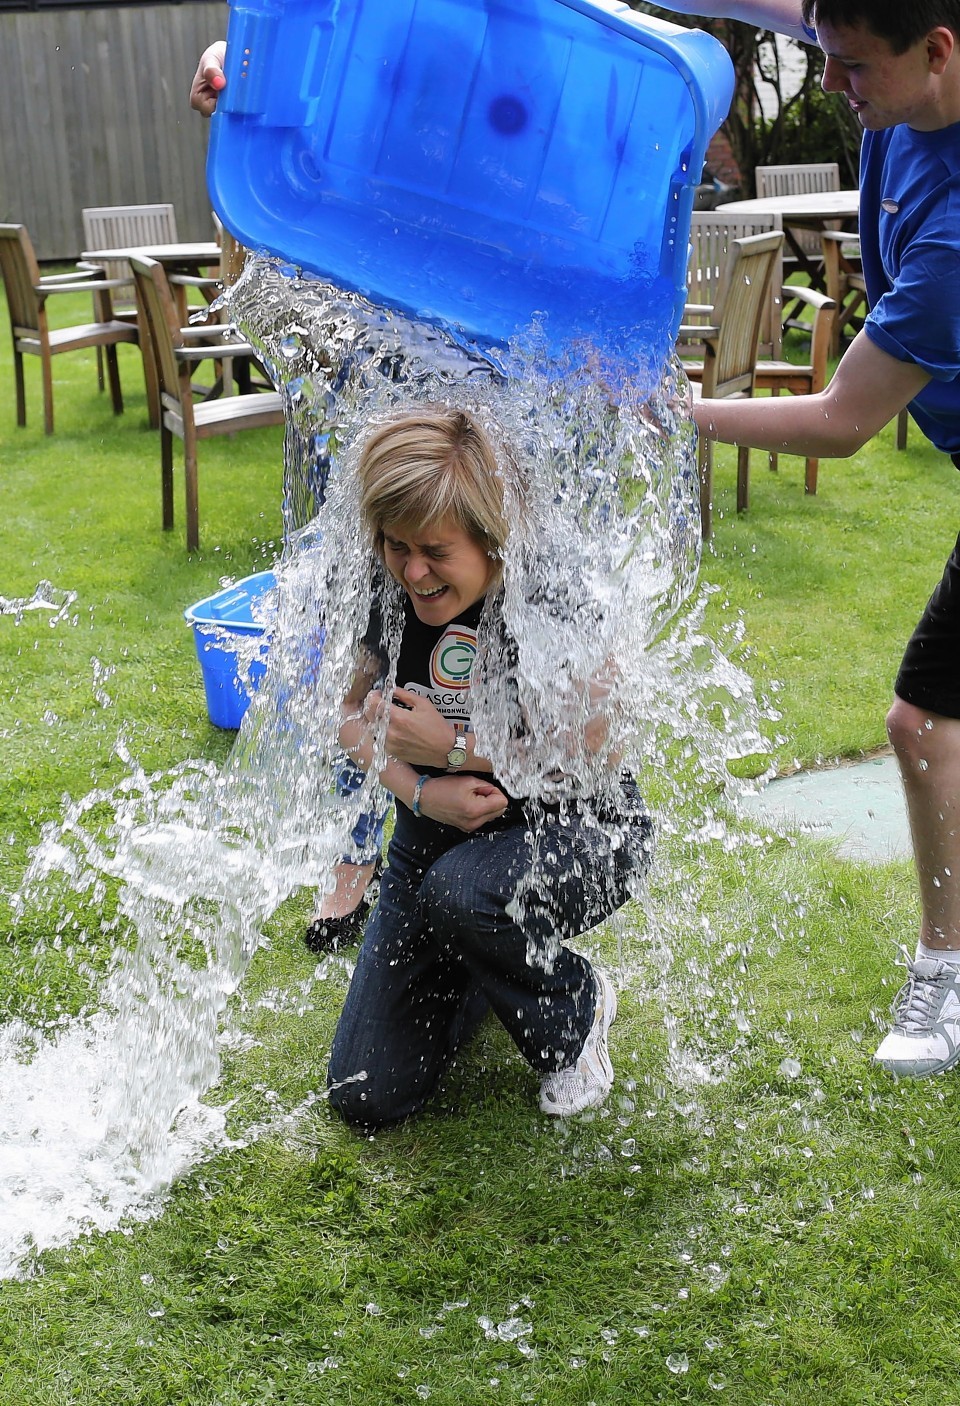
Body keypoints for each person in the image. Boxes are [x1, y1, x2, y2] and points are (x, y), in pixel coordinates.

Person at [651, 0, 960, 1077]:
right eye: (824, 58)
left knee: (921, 717)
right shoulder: (894, 58)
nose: (833, 86)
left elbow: (842, 421)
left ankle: (946, 971)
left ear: (940, 53)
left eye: (854, 69)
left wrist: (673, 414)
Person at [324, 406, 653, 1127]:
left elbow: (599, 755)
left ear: (493, 541)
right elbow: (345, 714)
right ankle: (483, 958)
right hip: (432, 836)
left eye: (435, 551)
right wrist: (418, 790)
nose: (412, 570)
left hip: (578, 828)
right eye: (395, 544)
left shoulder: (551, 591)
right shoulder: (383, 586)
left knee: (461, 892)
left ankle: (577, 1005)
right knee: (363, 1093)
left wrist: (454, 751)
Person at [190, 37, 384, 952]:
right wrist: (230, 58)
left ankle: (449, 841)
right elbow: (276, 45)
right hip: (338, 360)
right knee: (348, 619)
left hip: (450, 348)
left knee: (445, 603)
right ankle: (354, 851)